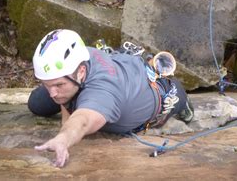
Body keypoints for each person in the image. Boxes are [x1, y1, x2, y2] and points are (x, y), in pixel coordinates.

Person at [28, 29, 194, 167]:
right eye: (47, 84)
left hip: (157, 90)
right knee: (36, 103)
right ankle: (126, 57)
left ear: (81, 72)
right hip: (119, 66)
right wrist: (64, 109)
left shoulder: (104, 93)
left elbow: (83, 120)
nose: (52, 93)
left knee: (177, 97)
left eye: (59, 85)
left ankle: (181, 100)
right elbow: (65, 103)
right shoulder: (80, 57)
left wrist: (63, 139)